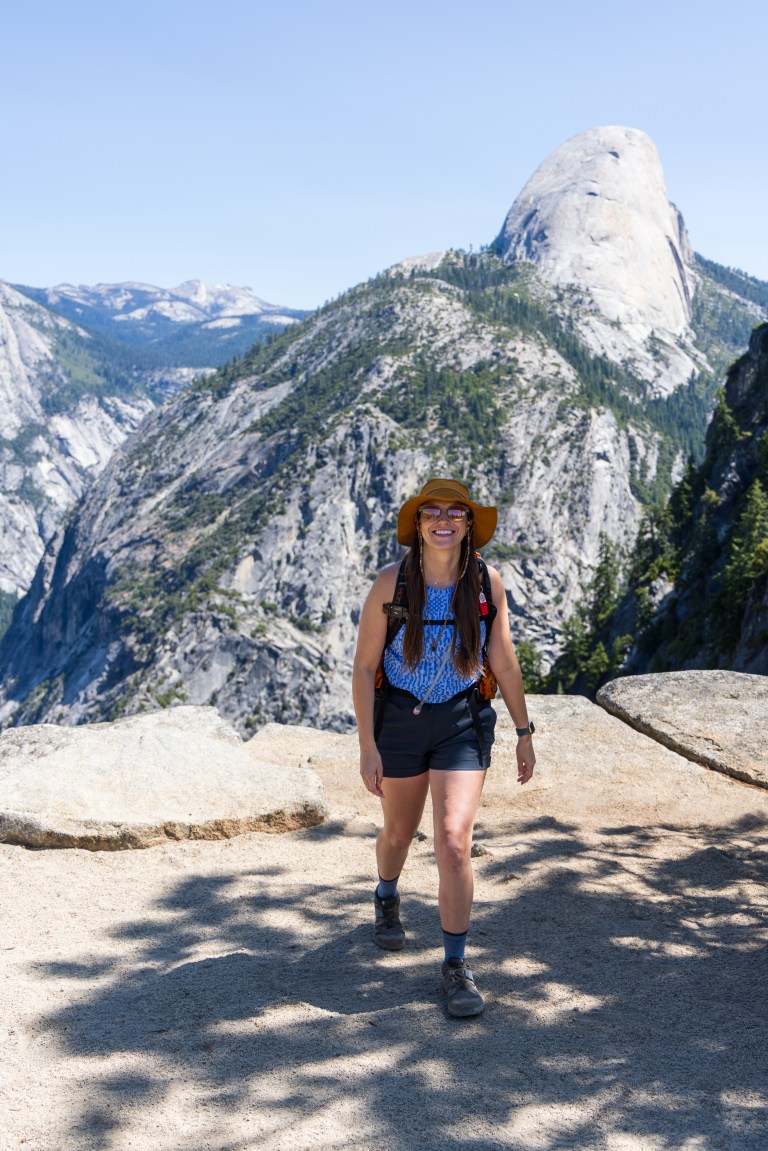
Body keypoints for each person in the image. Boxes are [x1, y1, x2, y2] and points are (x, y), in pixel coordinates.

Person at [352, 477, 535, 1018]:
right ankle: (386, 894)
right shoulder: (392, 585)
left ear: (469, 526)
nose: (443, 521)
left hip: (462, 720)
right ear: (418, 525)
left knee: (453, 840)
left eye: (455, 513)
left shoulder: (485, 585)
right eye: (432, 512)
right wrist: (368, 745)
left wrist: (524, 734)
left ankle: (455, 964)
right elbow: (364, 667)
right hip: (400, 723)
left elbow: (501, 661)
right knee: (398, 833)